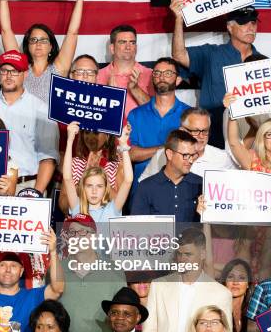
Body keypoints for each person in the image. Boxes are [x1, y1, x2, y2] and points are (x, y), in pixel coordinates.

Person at [170, 3, 261, 148]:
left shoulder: (263, 61)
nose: (250, 28)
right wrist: (179, 19)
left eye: (253, 22)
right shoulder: (211, 54)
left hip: (252, 137)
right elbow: (179, 55)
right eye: (243, 23)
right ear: (229, 27)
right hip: (214, 138)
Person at [0, 50, 59, 194]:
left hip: (26, 186)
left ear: (25, 74)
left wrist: (36, 193)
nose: (9, 75)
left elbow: (48, 158)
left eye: (15, 71)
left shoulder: (41, 110)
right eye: (4, 70)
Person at [142, 228, 233, 332]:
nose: (182, 259)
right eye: (179, 254)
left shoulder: (221, 294)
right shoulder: (159, 286)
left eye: (188, 254)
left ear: (203, 254)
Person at [0, 0, 88, 102]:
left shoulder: (59, 69)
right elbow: (5, 31)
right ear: (27, 45)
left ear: (51, 46)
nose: (38, 43)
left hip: (48, 122)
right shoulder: (20, 68)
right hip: (20, 120)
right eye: (33, 40)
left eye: (43, 40)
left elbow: (72, 33)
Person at [58, 55, 122, 210]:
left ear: (97, 76)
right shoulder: (60, 109)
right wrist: (80, 173)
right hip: (71, 174)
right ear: (71, 75)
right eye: (80, 71)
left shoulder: (110, 106)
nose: (85, 76)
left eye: (90, 72)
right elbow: (56, 153)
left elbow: (120, 145)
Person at [59, 214, 126, 332]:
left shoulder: (114, 270)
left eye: (83, 232)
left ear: (94, 236)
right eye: (72, 232)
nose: (77, 237)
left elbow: (124, 313)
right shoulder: (57, 269)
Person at [127, 57, 187, 187]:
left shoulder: (189, 115)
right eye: (157, 73)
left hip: (179, 189)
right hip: (142, 189)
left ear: (178, 80)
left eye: (168, 73)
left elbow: (192, 153)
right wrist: (168, 148)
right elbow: (131, 154)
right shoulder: (136, 115)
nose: (161, 77)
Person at [140, 107, 237, 182]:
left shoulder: (222, 158)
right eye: (195, 131)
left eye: (205, 131)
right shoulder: (162, 155)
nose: (201, 136)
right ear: (182, 131)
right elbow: (144, 186)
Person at [63, 121, 132, 220]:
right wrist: (70, 141)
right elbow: (67, 178)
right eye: (89, 186)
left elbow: (128, 180)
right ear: (83, 188)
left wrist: (123, 144)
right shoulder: (77, 207)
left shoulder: (113, 208)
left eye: (99, 186)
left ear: (106, 189)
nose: (94, 191)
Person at [131, 130, 202, 222]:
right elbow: (137, 229)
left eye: (193, 155)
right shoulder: (146, 187)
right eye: (186, 155)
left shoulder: (201, 184)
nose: (191, 160)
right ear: (169, 154)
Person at [97, 25, 155, 120]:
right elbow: (93, 114)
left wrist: (135, 89)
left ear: (136, 47)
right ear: (112, 48)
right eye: (122, 42)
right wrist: (109, 95)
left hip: (142, 134)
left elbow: (157, 114)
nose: (128, 47)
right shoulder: (97, 76)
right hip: (110, 134)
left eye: (132, 43)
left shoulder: (151, 75)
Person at [219, 259, 253, 332]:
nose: (235, 282)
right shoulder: (217, 311)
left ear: (248, 284)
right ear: (224, 282)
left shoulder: (253, 312)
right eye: (230, 277)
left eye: (241, 278)